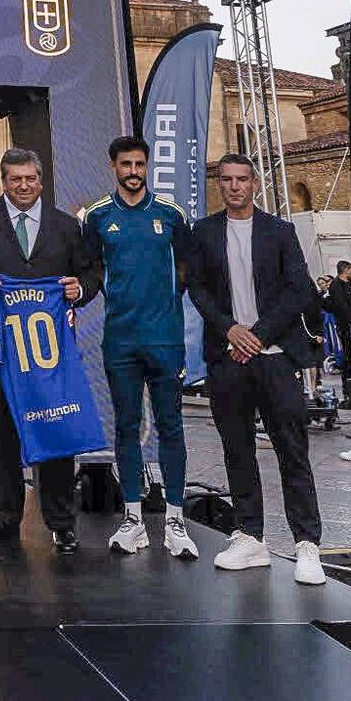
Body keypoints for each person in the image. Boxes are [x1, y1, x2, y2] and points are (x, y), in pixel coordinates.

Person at [0, 147, 101, 553]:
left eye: (30, 179)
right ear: (4, 181)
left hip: (48, 356)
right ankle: (5, 518)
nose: (23, 186)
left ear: (41, 180)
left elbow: (91, 272)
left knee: (54, 431)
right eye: (15, 179)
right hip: (0, 351)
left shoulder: (66, 226)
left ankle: (61, 521)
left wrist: (80, 288)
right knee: (2, 434)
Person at [186, 153, 325, 584]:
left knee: (292, 451)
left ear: (255, 183)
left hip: (275, 358)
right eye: (226, 180)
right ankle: (250, 536)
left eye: (241, 179)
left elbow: (298, 289)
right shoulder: (204, 233)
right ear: (219, 184)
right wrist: (231, 330)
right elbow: (199, 289)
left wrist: (258, 335)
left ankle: (307, 544)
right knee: (237, 450)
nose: (234, 187)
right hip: (228, 360)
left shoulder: (280, 232)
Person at [82, 136, 198, 559]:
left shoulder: (171, 214)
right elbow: (92, 269)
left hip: (165, 339)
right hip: (121, 340)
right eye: (126, 164)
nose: (134, 171)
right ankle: (133, 520)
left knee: (172, 426)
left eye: (140, 164)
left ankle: (175, 522)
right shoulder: (96, 217)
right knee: (126, 428)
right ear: (112, 166)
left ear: (147, 166)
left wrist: (163, 300)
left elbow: (186, 267)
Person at [325, 260, 351, 401]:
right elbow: (341, 308)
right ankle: (349, 391)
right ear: (346, 271)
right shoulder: (336, 286)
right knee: (349, 358)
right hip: (347, 329)